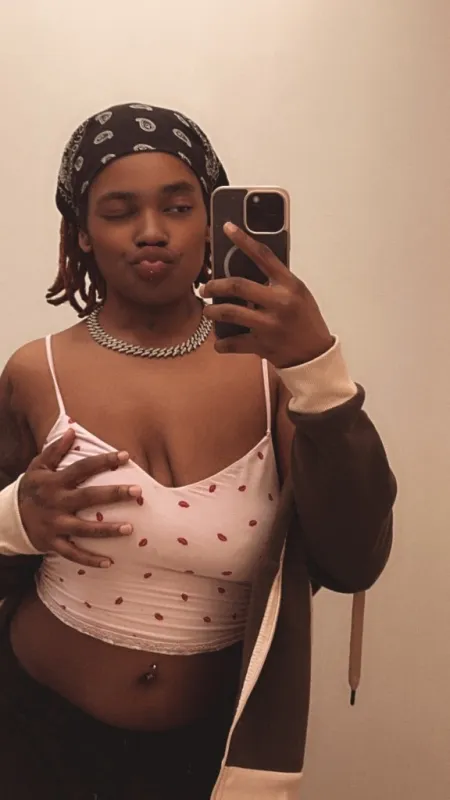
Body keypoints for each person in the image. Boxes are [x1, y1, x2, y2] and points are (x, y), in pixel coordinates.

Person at [0, 103, 397, 800]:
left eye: (179, 207)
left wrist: (319, 371)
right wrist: (16, 521)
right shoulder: (35, 371)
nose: (152, 231)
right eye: (118, 210)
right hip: (32, 731)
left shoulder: (273, 372)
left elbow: (354, 560)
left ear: (212, 221)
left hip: (211, 753)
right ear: (82, 232)